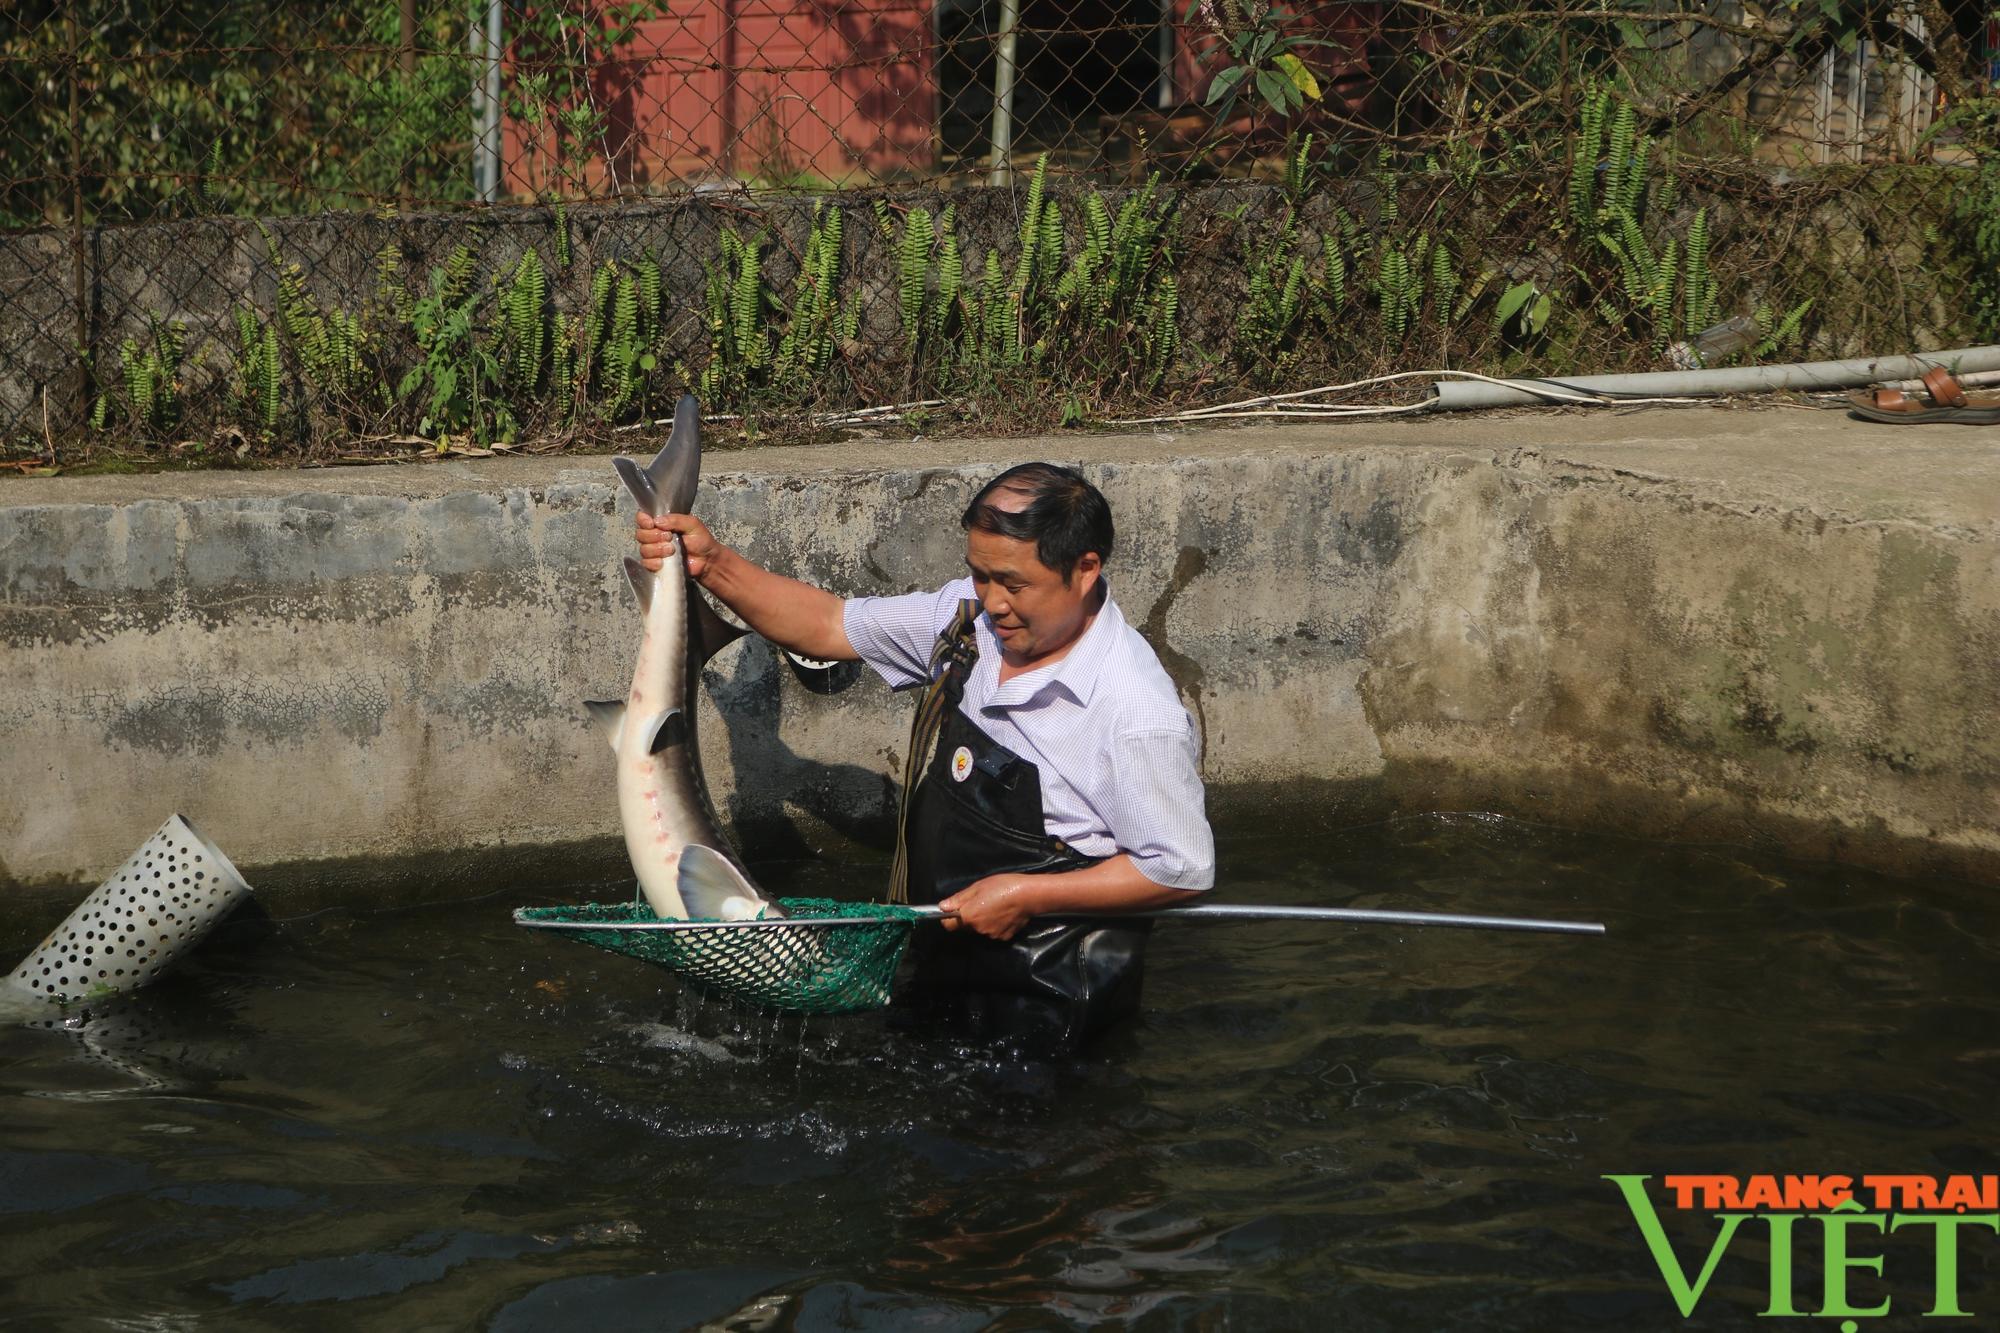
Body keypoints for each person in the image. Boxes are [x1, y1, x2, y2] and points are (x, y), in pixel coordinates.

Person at [635, 462, 1213, 1050]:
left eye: (1014, 585)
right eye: (980, 576)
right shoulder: (969, 623)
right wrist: (713, 565)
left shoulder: (1136, 711)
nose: (993, 603)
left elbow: (1179, 868)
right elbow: (831, 625)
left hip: (1052, 989)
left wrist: (1027, 895)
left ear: (1085, 569)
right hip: (945, 955)